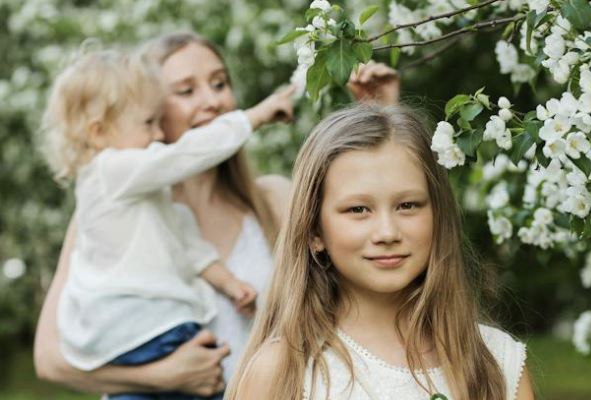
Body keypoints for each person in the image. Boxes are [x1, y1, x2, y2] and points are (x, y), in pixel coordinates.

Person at [34, 31, 401, 398]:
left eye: (219, 83)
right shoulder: (104, 216)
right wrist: (162, 377)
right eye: (186, 91)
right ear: (148, 108)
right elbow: (50, 359)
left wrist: (380, 119)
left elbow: (376, 273)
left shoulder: (273, 199)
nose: (212, 100)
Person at [226, 103, 535, 400]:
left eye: (408, 205)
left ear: (438, 215)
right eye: (358, 209)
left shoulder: (495, 361)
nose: (387, 232)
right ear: (314, 231)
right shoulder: (284, 370)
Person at [40, 47, 294, 400]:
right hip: (145, 338)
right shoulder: (109, 172)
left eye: (219, 83)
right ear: (99, 133)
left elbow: (188, 248)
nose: (158, 134)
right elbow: (184, 154)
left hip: (180, 339)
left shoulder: (155, 202)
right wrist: (254, 117)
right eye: (150, 121)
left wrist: (230, 283)